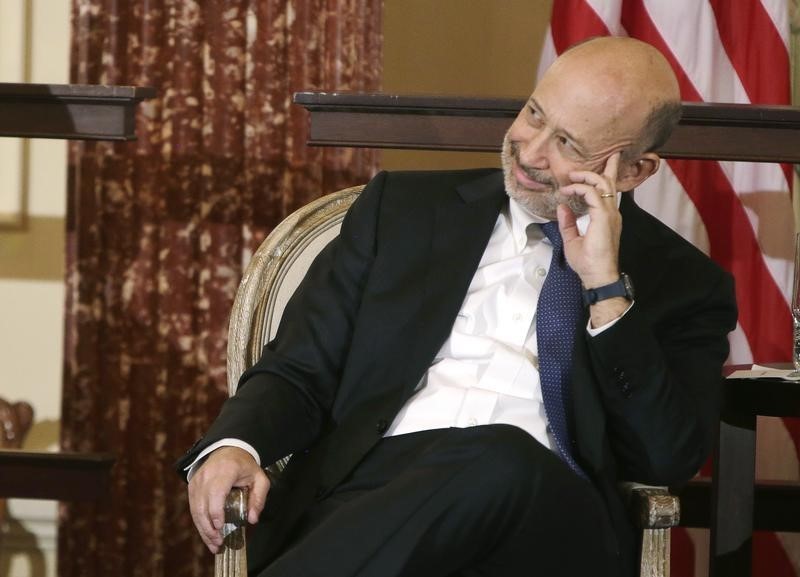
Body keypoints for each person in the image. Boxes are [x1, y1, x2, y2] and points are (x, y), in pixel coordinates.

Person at [177, 37, 737, 577]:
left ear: (635, 171)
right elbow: (301, 366)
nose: (531, 150)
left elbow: (666, 459)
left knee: (501, 456)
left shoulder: (685, 283)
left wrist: (606, 291)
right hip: (373, 491)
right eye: (534, 114)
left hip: (545, 523)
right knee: (474, 471)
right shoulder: (403, 211)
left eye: (568, 144)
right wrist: (235, 444)